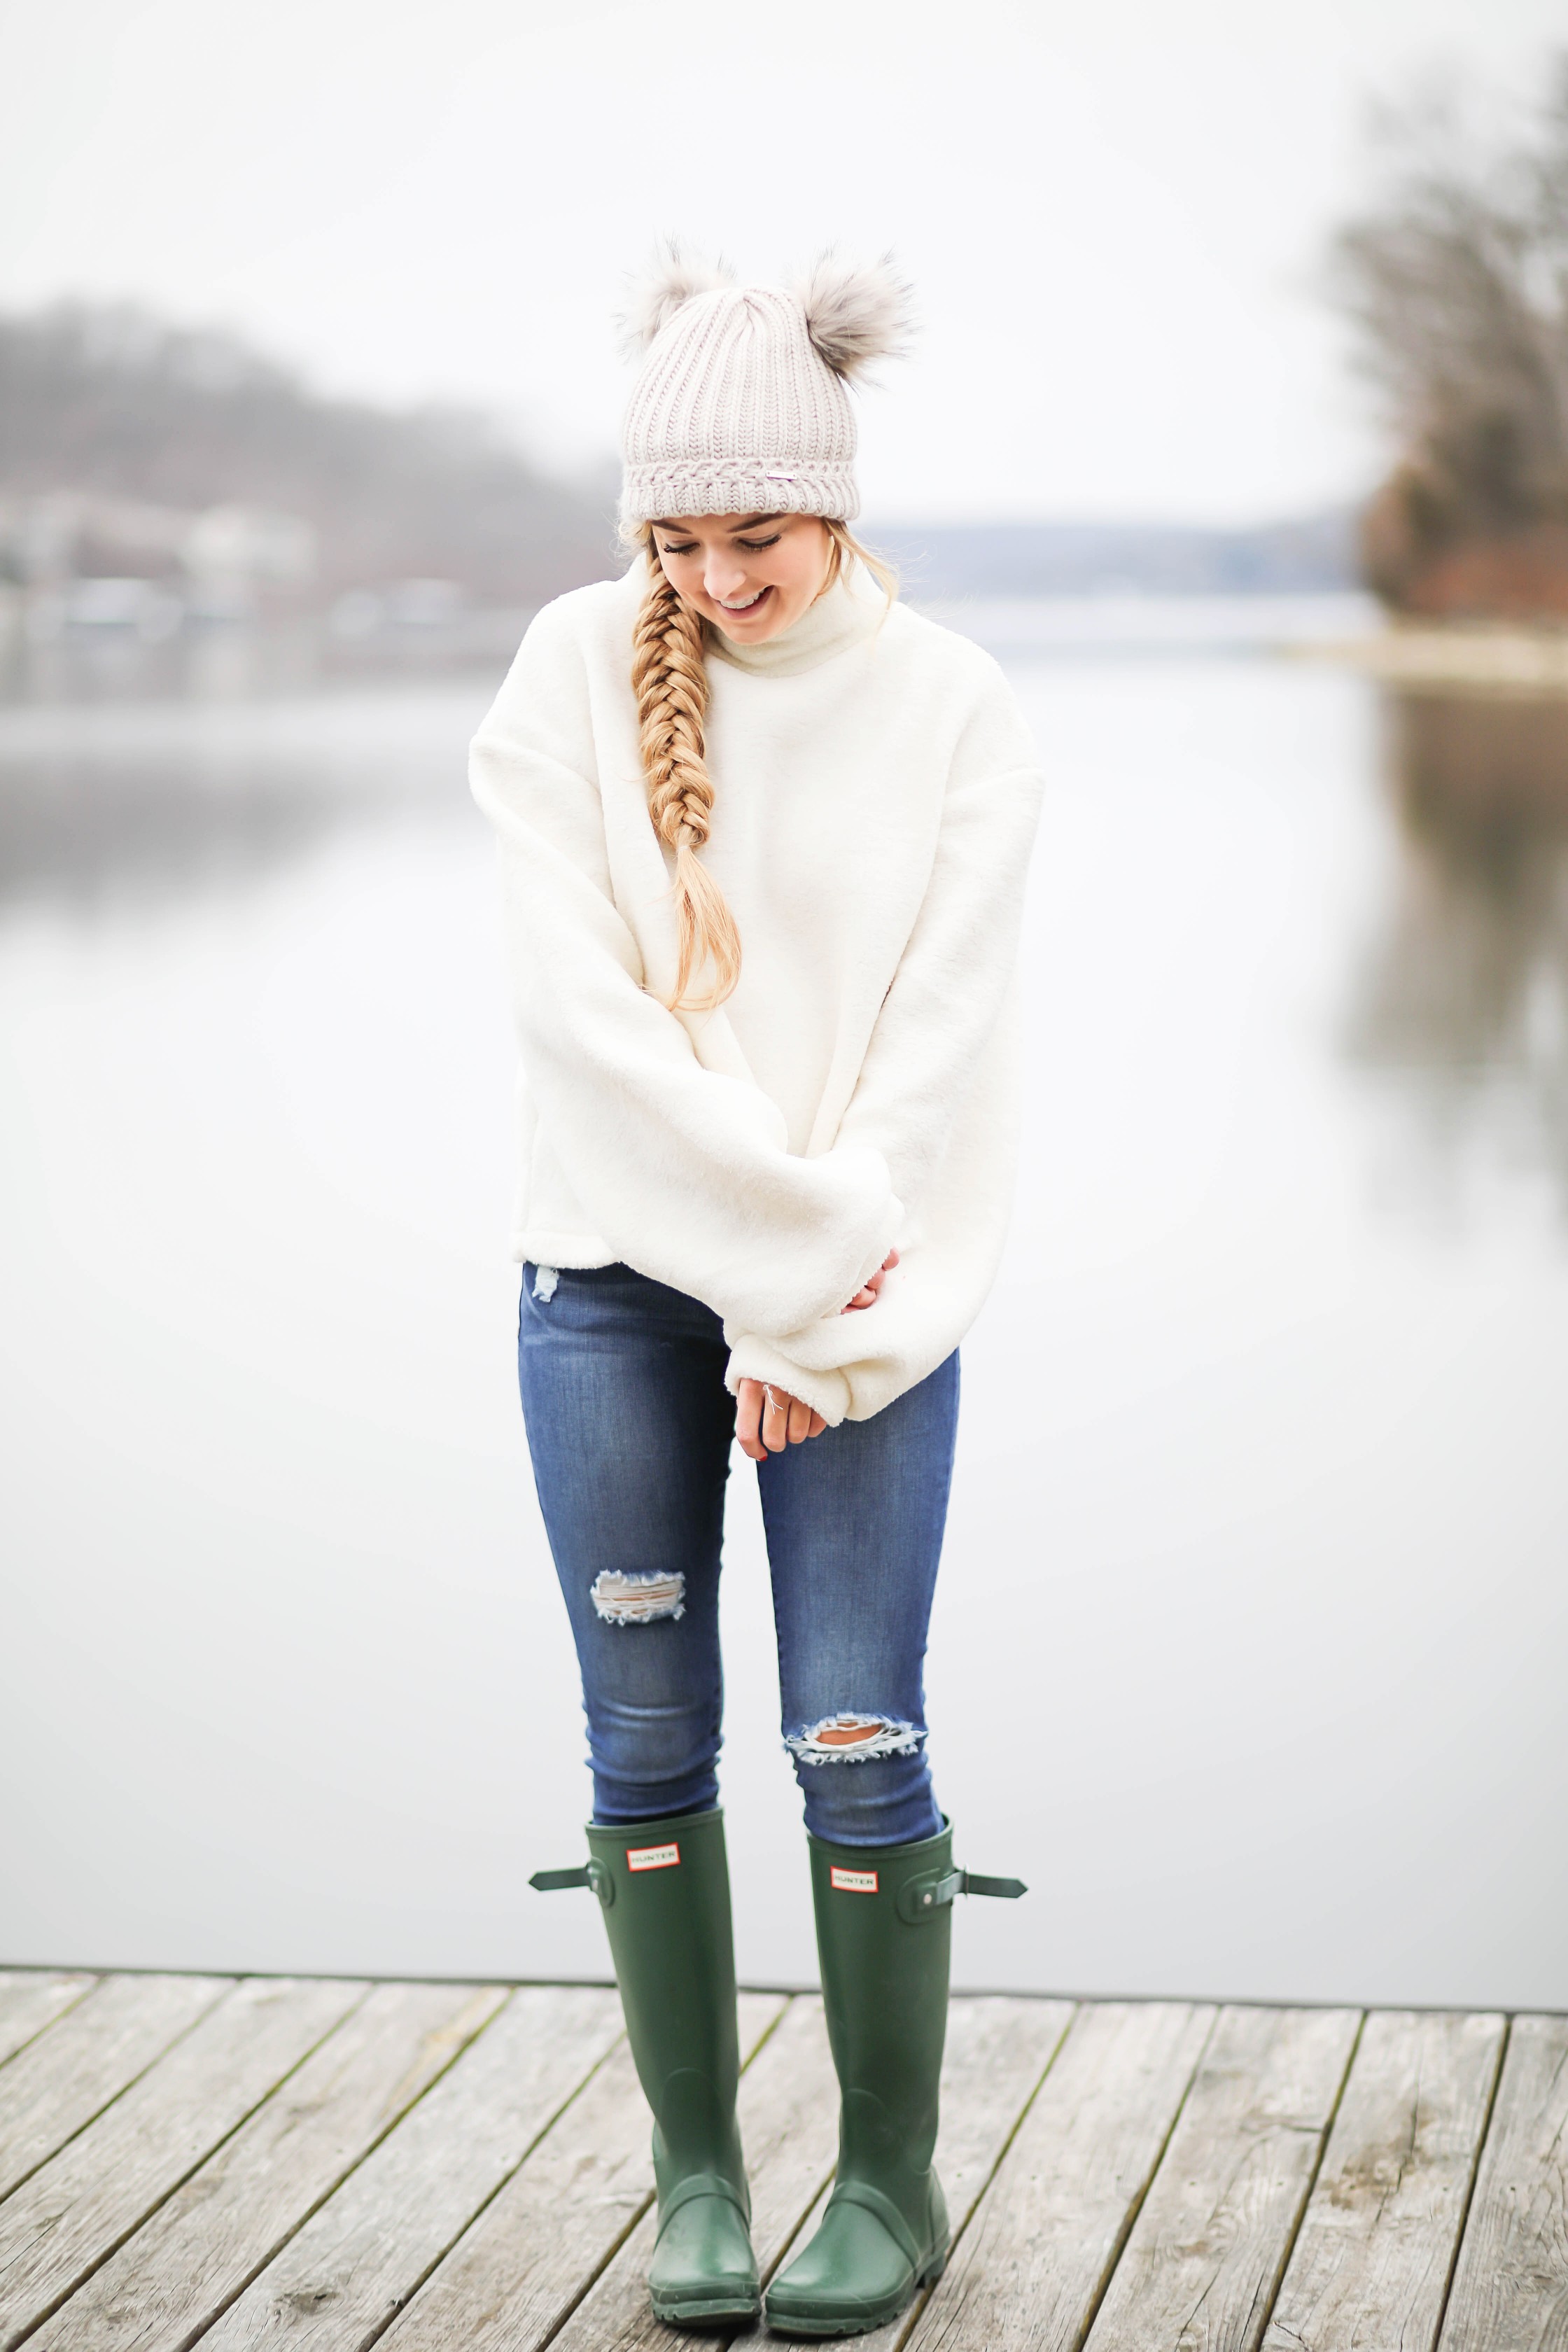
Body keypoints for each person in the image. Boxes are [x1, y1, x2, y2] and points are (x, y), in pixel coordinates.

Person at [470, 248, 1043, 2339]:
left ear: (841, 502)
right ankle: (694, 2178)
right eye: (678, 537)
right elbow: (585, 1033)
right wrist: (758, 1277)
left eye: (760, 532)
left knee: (859, 1736)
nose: (718, 577)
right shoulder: (559, 676)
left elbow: (940, 1054)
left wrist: (823, 1324)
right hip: (612, 1292)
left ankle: (887, 2188)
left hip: (861, 1314)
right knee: (644, 1748)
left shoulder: (956, 704)